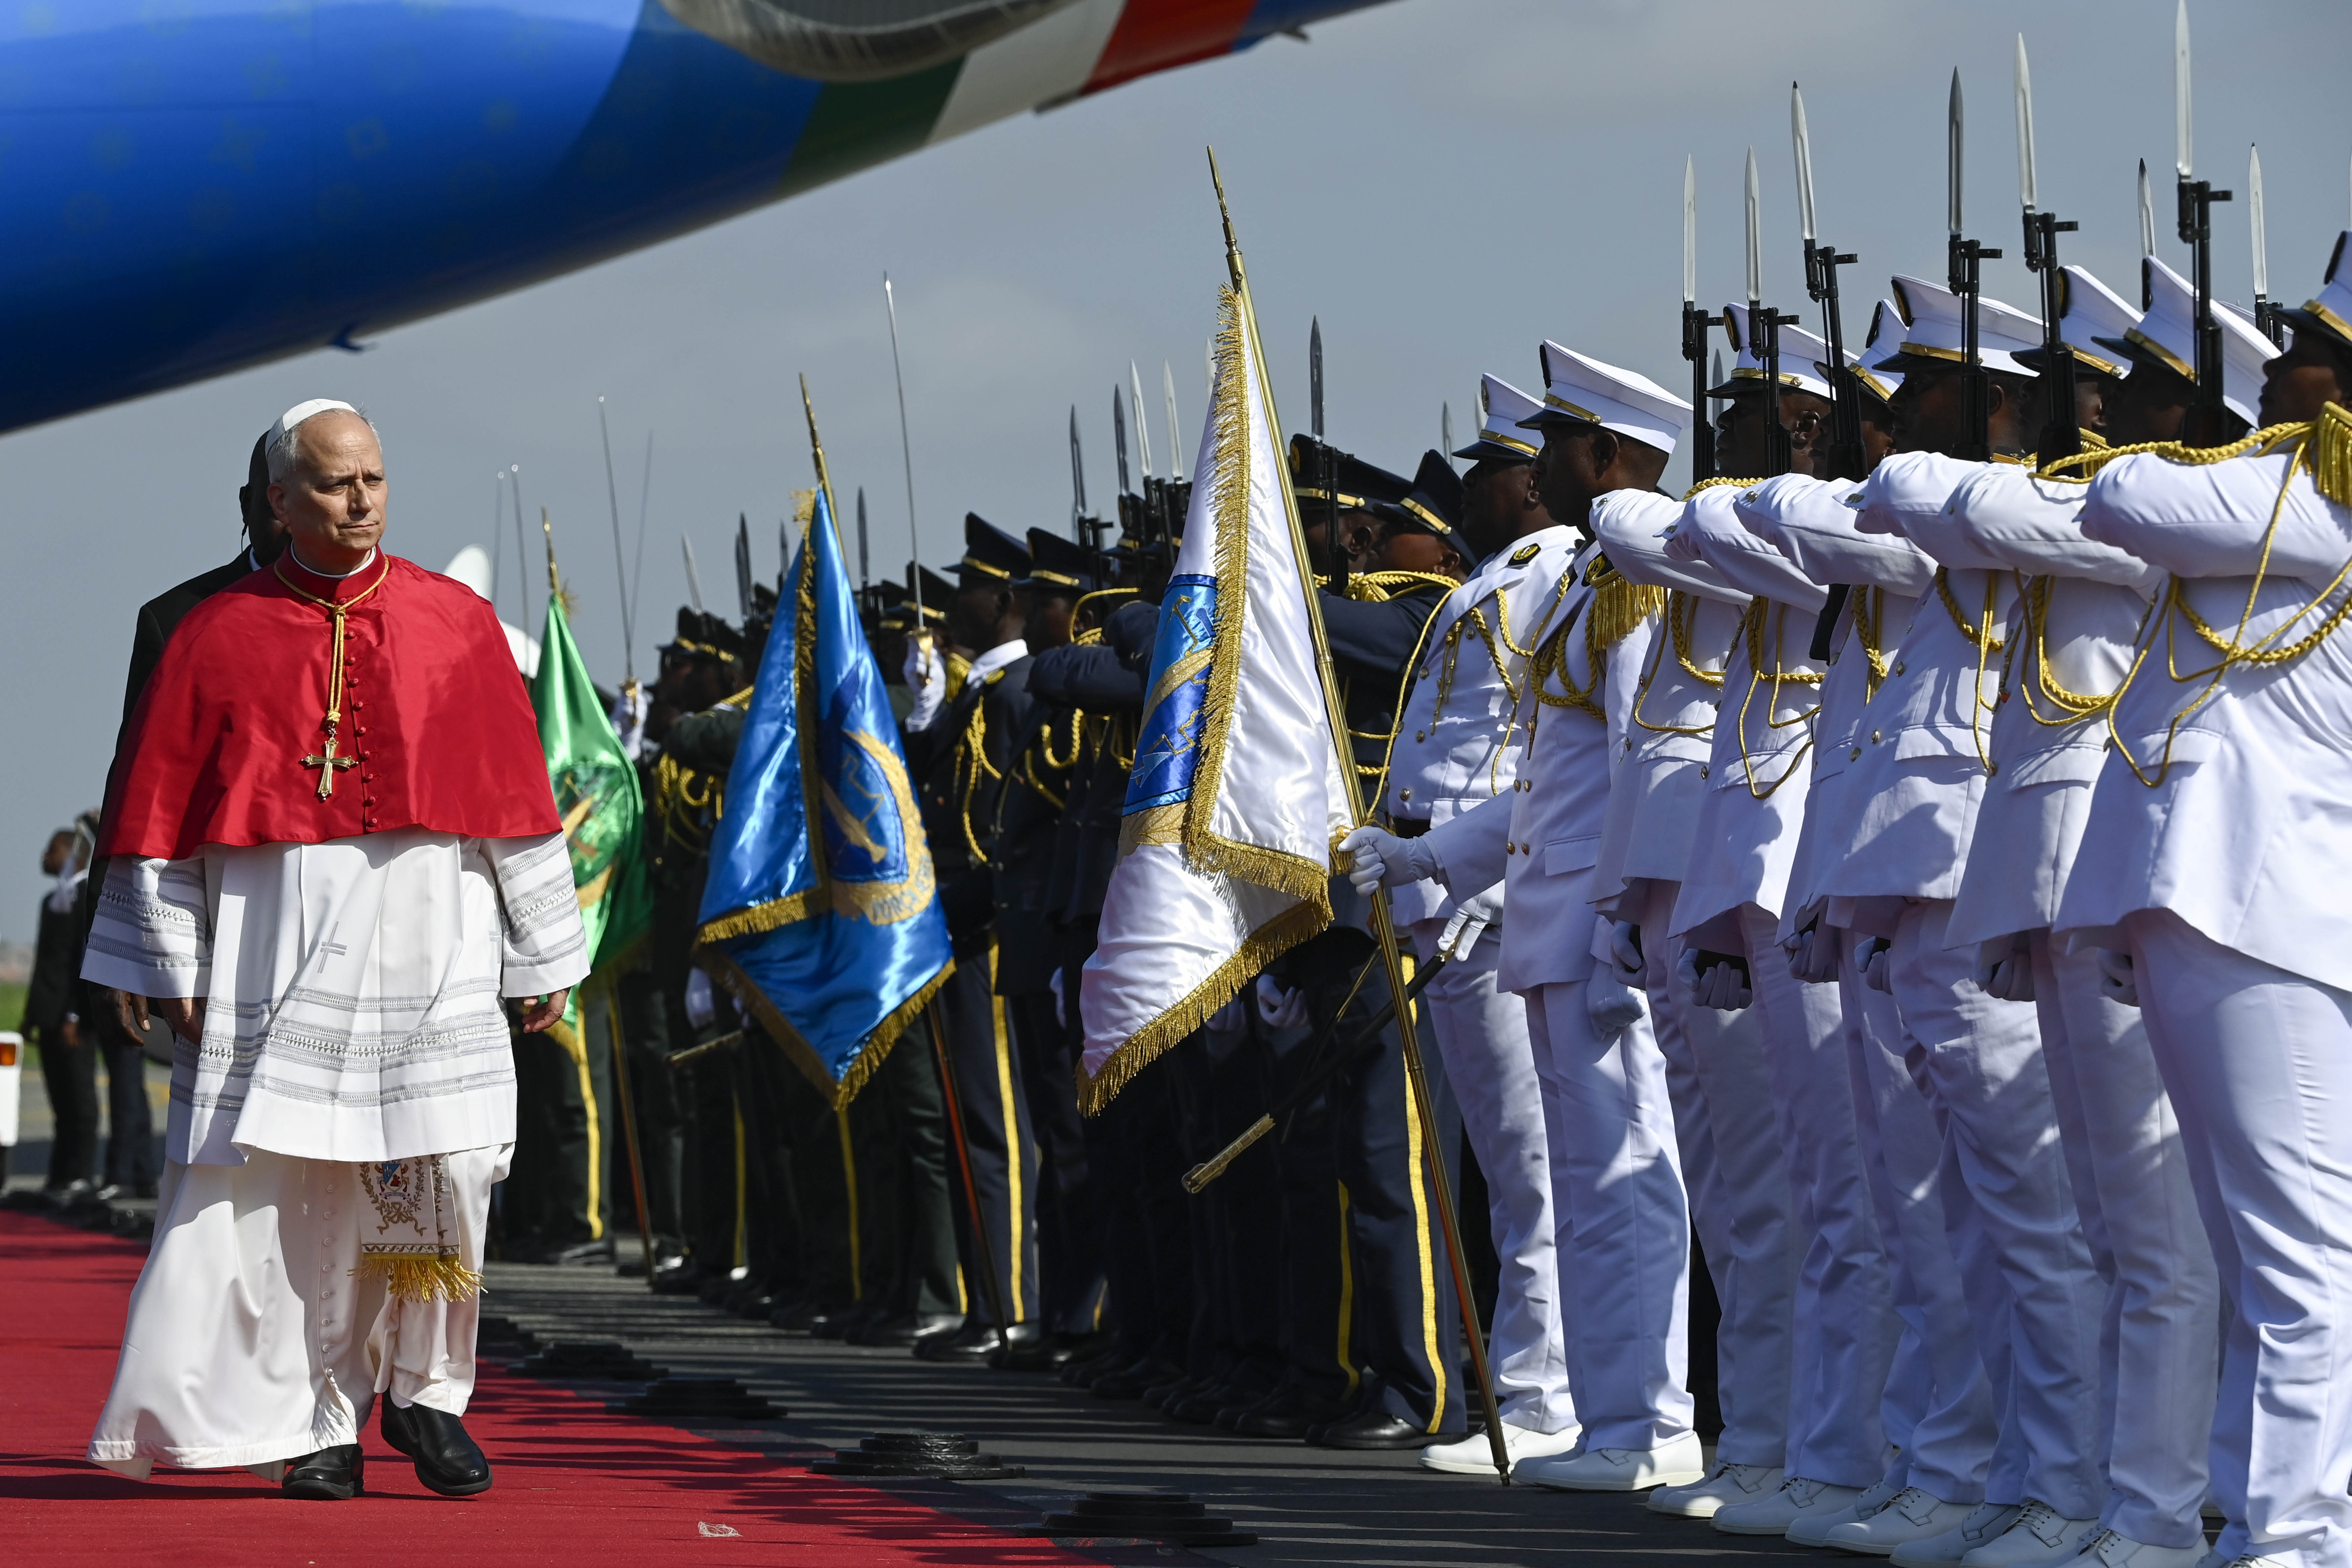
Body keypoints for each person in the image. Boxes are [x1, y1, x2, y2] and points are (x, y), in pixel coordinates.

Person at [82, 399, 588, 1502]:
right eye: (330, 483)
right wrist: (169, 961)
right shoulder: (215, 631)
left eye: (372, 479)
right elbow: (159, 812)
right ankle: (320, 1420)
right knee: (305, 1198)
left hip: (434, 938)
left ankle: (423, 1388)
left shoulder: (452, 620)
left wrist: (540, 947)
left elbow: (512, 798)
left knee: (441, 1177)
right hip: (279, 937)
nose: (358, 499)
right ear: (280, 499)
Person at [2053, 232, 2352, 1568]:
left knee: (2297, 1258)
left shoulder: (2311, 501)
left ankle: (2291, 1535)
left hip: (2267, 910)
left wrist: (2200, 451)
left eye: (2301, 352)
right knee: (2263, 1248)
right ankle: (2255, 1518)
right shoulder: (2287, 496)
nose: (2274, 371)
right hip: (2231, 908)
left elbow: (2120, 498)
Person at [1354, 343, 1702, 1491]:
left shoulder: (1619, 580)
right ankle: (1598, 1420)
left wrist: (1618, 917)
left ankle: (1639, 1419)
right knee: (1573, 1177)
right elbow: (1539, 786)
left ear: (1605, 453)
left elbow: (1641, 762)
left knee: (1615, 1175)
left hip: (1579, 924)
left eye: (1552, 444)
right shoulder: (1586, 582)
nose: (1532, 467)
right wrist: (1429, 857)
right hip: (1541, 918)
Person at [1357, 381, 1584, 1475]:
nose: (1462, 498)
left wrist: (1488, 890)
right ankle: (1520, 1385)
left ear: (1528, 485)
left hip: (1491, 903)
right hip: (1439, 895)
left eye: (1484, 474)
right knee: (1501, 1160)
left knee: (1533, 1161)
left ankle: (1546, 1393)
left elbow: (1546, 756)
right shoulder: (1479, 587)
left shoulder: (1551, 582)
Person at [25, 822, 99, 1198]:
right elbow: (44, 965)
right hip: (49, 1016)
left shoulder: (86, 897)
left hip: (73, 1020)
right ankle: (58, 1177)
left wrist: (74, 1015)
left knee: (81, 1101)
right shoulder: (52, 901)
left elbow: (81, 962)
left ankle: (81, 1174)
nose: (44, 856)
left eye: (52, 849)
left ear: (71, 855)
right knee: (60, 1103)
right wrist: (30, 1017)